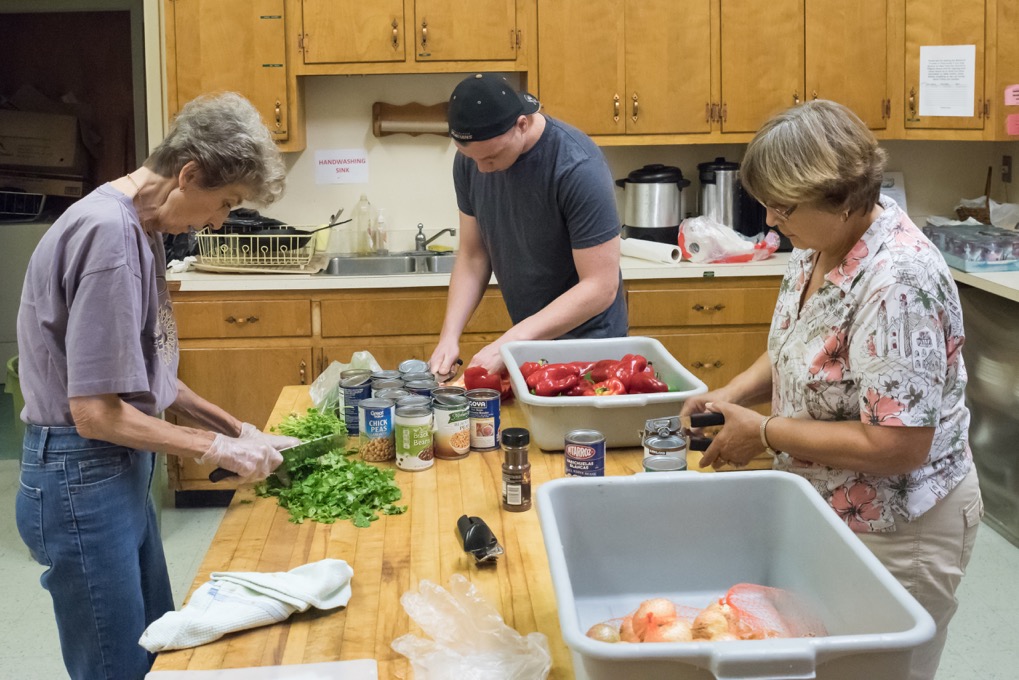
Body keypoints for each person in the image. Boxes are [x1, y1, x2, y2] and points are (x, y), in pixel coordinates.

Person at [679, 100, 982, 680]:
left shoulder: (898, 281)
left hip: (899, 530)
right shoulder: (818, 245)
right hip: (829, 512)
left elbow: (899, 445)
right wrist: (732, 395)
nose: (770, 219)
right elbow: (801, 346)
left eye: (782, 206)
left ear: (841, 196)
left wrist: (763, 432)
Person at [15, 92, 300, 680]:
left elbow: (151, 378)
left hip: (113, 467)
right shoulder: (109, 239)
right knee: (116, 666)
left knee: (155, 646)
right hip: (79, 473)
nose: (220, 220)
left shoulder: (141, 225)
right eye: (223, 203)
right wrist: (216, 450)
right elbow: (95, 413)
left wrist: (238, 429)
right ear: (188, 174)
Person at [428, 73, 627, 377]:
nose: (482, 169)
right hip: (531, 341)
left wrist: (509, 342)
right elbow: (473, 255)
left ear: (522, 124)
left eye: (491, 158)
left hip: (591, 348)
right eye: (470, 157)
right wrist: (448, 337)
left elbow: (600, 286)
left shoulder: (577, 166)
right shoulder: (472, 159)